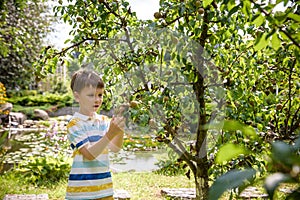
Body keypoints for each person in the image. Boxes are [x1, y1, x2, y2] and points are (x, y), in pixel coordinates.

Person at [66, 68, 125, 200]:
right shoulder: (75, 123)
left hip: (104, 189)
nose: (97, 100)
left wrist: (119, 130)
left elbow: (115, 148)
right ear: (77, 96)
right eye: (91, 95)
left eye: (100, 95)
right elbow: (89, 155)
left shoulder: (104, 121)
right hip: (81, 193)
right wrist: (110, 133)